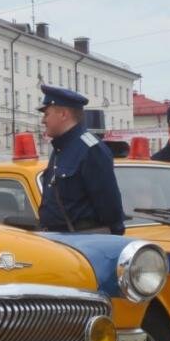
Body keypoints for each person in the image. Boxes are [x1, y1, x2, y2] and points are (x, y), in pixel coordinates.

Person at [37, 85, 125, 234]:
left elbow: (110, 208)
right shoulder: (60, 148)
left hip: (84, 242)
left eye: (47, 114)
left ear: (63, 114)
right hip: (58, 240)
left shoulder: (91, 149)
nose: (43, 121)